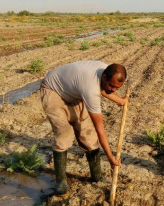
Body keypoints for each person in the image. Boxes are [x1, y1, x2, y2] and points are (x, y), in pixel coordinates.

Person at [40, 60, 128, 196]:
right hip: (53, 90)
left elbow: (105, 88)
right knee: (64, 135)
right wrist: (110, 157)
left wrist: (120, 100)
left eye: (117, 88)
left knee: (88, 136)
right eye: (112, 86)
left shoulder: (106, 71)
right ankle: (61, 182)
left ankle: (96, 176)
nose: (113, 90)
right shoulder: (90, 89)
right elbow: (100, 128)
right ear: (104, 77)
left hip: (74, 92)